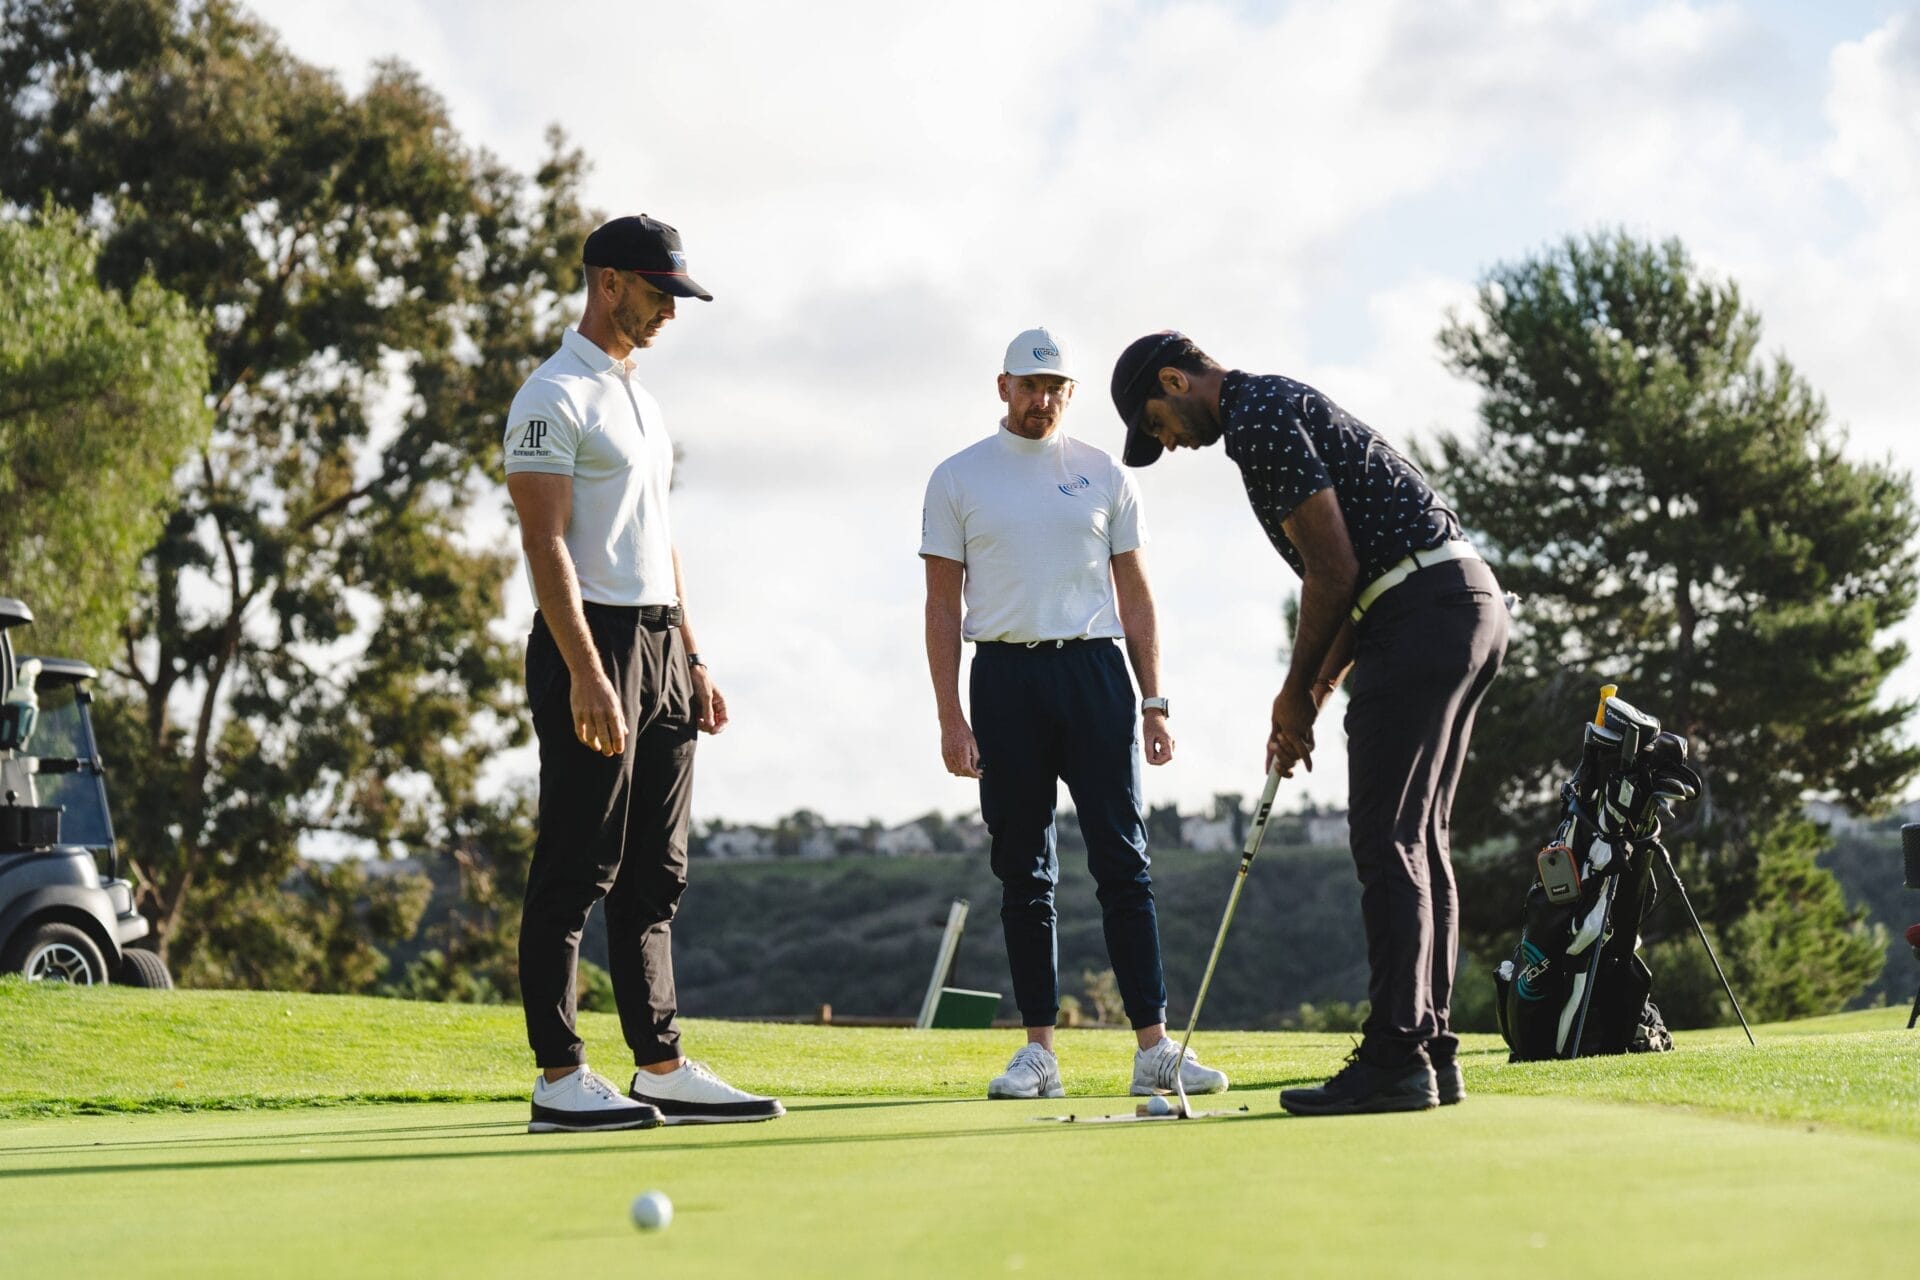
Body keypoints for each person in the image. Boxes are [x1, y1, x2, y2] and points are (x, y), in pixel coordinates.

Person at [1109, 331, 1508, 1116]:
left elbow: (1335, 571)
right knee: (1421, 839)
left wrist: (1294, 692)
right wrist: (1310, 705)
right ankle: (1429, 1052)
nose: (1169, 444)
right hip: (1462, 603)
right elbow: (1355, 579)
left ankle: (1397, 1055)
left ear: (1175, 379)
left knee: (1388, 841)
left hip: (1420, 613)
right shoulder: (1277, 401)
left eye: (1158, 424)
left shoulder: (1255, 415)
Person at [502, 215, 783, 1132]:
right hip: (594, 643)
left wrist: (692, 657)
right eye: (661, 292)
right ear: (609, 282)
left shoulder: (639, 400)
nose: (672, 310)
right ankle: (557, 1072)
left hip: (661, 645)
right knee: (579, 862)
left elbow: (660, 541)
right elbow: (545, 545)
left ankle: (658, 1062)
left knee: (657, 874)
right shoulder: (551, 396)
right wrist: (587, 672)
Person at [920, 326, 1230, 1101]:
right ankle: (1038, 1054)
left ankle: (1153, 1048)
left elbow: (1136, 596)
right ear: (1003, 388)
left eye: (1055, 387)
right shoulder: (957, 478)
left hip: (1095, 673)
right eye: (1029, 386)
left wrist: (1155, 701)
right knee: (1024, 869)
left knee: (1124, 863)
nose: (1041, 400)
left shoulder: (1104, 473)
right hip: (1003, 678)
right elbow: (939, 604)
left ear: (1071, 392)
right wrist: (950, 718)